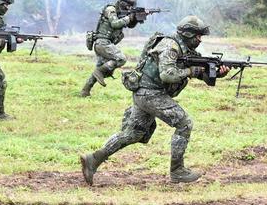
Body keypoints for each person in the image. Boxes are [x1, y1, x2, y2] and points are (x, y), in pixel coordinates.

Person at [79, 16, 230, 184]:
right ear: (188, 34)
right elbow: (167, 74)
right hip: (150, 93)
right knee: (184, 123)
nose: (200, 40)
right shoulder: (171, 46)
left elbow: (200, 72)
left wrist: (217, 73)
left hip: (145, 93)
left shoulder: (185, 47)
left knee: (133, 133)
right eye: (198, 36)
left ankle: (92, 160)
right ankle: (177, 170)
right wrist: (191, 72)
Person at [81, 0, 138, 97]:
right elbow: (115, 24)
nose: (129, 7)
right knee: (121, 59)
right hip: (102, 43)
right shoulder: (111, 10)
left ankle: (85, 91)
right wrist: (128, 18)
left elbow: (129, 25)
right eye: (128, 5)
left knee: (99, 69)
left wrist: (135, 19)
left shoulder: (120, 11)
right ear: (121, 3)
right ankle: (99, 72)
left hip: (105, 43)